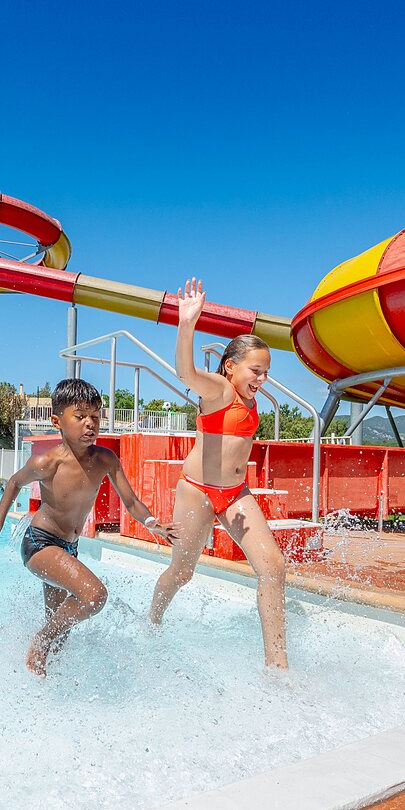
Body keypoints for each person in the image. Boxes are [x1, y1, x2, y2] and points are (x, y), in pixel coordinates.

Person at [0, 377, 177, 677]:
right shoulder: (49, 461)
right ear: (58, 421)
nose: (89, 424)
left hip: (69, 549)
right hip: (40, 544)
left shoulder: (105, 459)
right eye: (80, 416)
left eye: (95, 417)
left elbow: (131, 501)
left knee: (61, 635)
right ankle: (39, 640)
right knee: (94, 596)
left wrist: (153, 524)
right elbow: (15, 482)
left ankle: (41, 687)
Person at [148, 277, 289, 669]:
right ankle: (153, 620)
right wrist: (187, 323)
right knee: (181, 573)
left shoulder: (246, 398)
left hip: (235, 493)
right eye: (255, 371)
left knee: (273, 567)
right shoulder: (220, 391)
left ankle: (277, 665)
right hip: (196, 491)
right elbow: (186, 373)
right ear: (231, 367)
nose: (261, 380)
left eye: (266, 373)